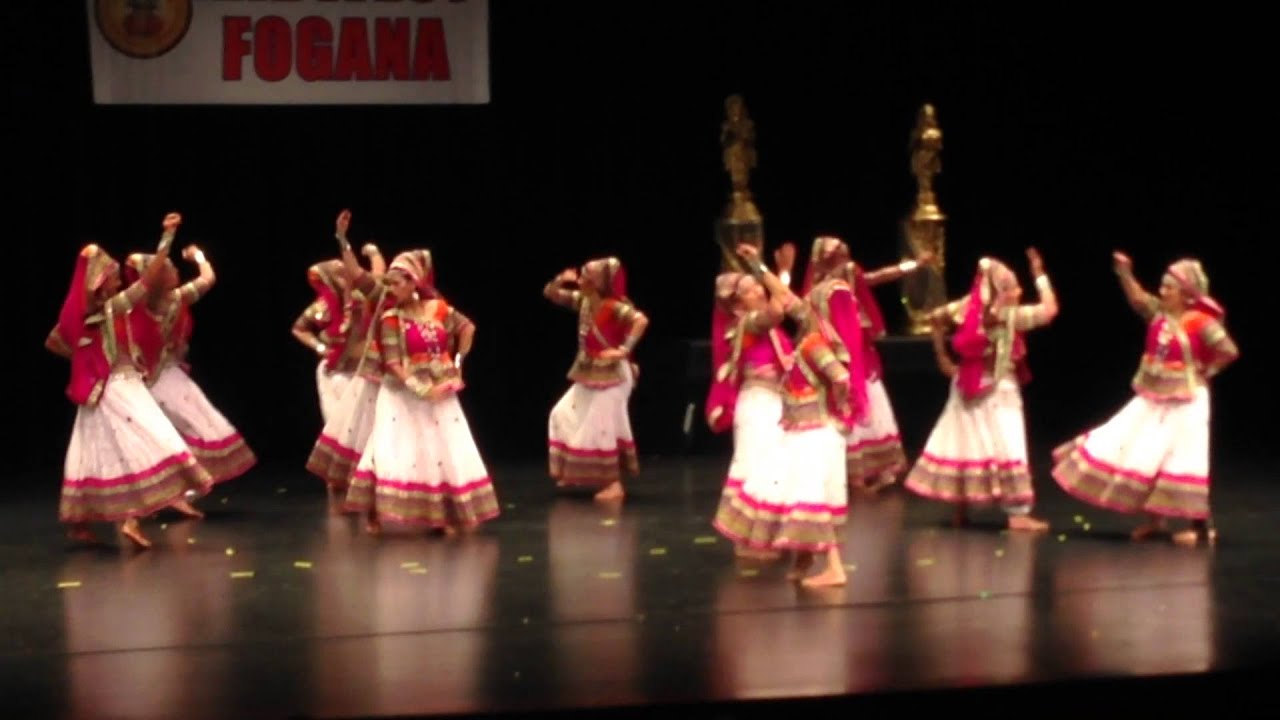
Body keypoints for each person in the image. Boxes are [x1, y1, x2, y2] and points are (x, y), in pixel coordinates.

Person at [46, 213, 213, 549]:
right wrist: (167, 237)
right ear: (99, 284)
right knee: (152, 443)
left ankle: (83, 523)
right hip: (120, 389)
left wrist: (90, 362)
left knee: (97, 455)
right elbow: (147, 282)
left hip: (100, 389)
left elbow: (56, 342)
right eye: (111, 278)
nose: (118, 282)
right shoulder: (108, 310)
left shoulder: (84, 316)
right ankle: (131, 519)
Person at [1052, 254, 1238, 547]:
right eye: (1163, 286)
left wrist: (1206, 370)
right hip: (1155, 394)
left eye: (1170, 287)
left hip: (1187, 399)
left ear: (1188, 293)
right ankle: (1155, 520)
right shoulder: (1160, 314)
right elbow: (1139, 299)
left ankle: (1201, 528)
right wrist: (1125, 273)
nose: (1163, 292)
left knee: (1184, 458)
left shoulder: (1201, 322)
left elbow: (1228, 350)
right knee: (1146, 451)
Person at [344, 250, 499, 535]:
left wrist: (457, 364)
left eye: (396, 283)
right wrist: (423, 390)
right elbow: (392, 364)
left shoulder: (439, 309)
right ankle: (376, 509)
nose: (390, 289)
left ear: (413, 282)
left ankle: (445, 514)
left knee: (441, 451)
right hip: (402, 395)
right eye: (387, 283)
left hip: (440, 390)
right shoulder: (391, 318)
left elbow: (467, 328)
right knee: (394, 450)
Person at [903, 249, 1058, 532]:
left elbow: (936, 318)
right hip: (999, 389)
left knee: (965, 441)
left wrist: (944, 359)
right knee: (1007, 444)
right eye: (1011, 287)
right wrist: (1040, 276)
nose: (1017, 291)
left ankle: (961, 509)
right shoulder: (1010, 316)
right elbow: (1050, 310)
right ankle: (1017, 514)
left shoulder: (968, 308)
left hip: (964, 386)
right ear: (1000, 289)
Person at [801, 235, 933, 492]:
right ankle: (860, 473)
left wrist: (913, 265)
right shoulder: (840, 275)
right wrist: (914, 264)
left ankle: (856, 473)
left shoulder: (827, 279)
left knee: (853, 398)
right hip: (845, 343)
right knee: (856, 397)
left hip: (838, 345)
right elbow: (877, 277)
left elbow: (873, 279)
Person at [122, 245, 255, 485]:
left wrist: (198, 257)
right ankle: (180, 483)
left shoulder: (176, 298)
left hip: (174, 374)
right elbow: (149, 272)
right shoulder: (149, 303)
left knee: (199, 423)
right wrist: (183, 248)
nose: (175, 271)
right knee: (185, 427)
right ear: (157, 278)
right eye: (169, 269)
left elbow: (207, 278)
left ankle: (185, 483)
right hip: (157, 379)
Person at [707, 245, 798, 558]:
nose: (758, 288)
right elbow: (778, 311)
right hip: (757, 404)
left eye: (757, 285)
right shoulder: (744, 325)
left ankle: (762, 535)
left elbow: (781, 302)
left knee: (773, 468)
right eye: (749, 289)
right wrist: (763, 265)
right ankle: (747, 540)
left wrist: (780, 272)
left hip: (773, 401)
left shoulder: (757, 322)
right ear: (735, 304)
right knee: (757, 466)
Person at [543, 257, 648, 501]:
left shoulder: (613, 306)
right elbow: (550, 293)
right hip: (590, 372)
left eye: (586, 277)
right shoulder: (586, 302)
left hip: (614, 375)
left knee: (601, 427)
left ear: (598, 282)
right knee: (562, 414)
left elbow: (640, 320)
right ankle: (576, 471)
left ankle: (613, 484)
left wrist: (623, 349)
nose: (580, 280)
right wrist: (561, 280)